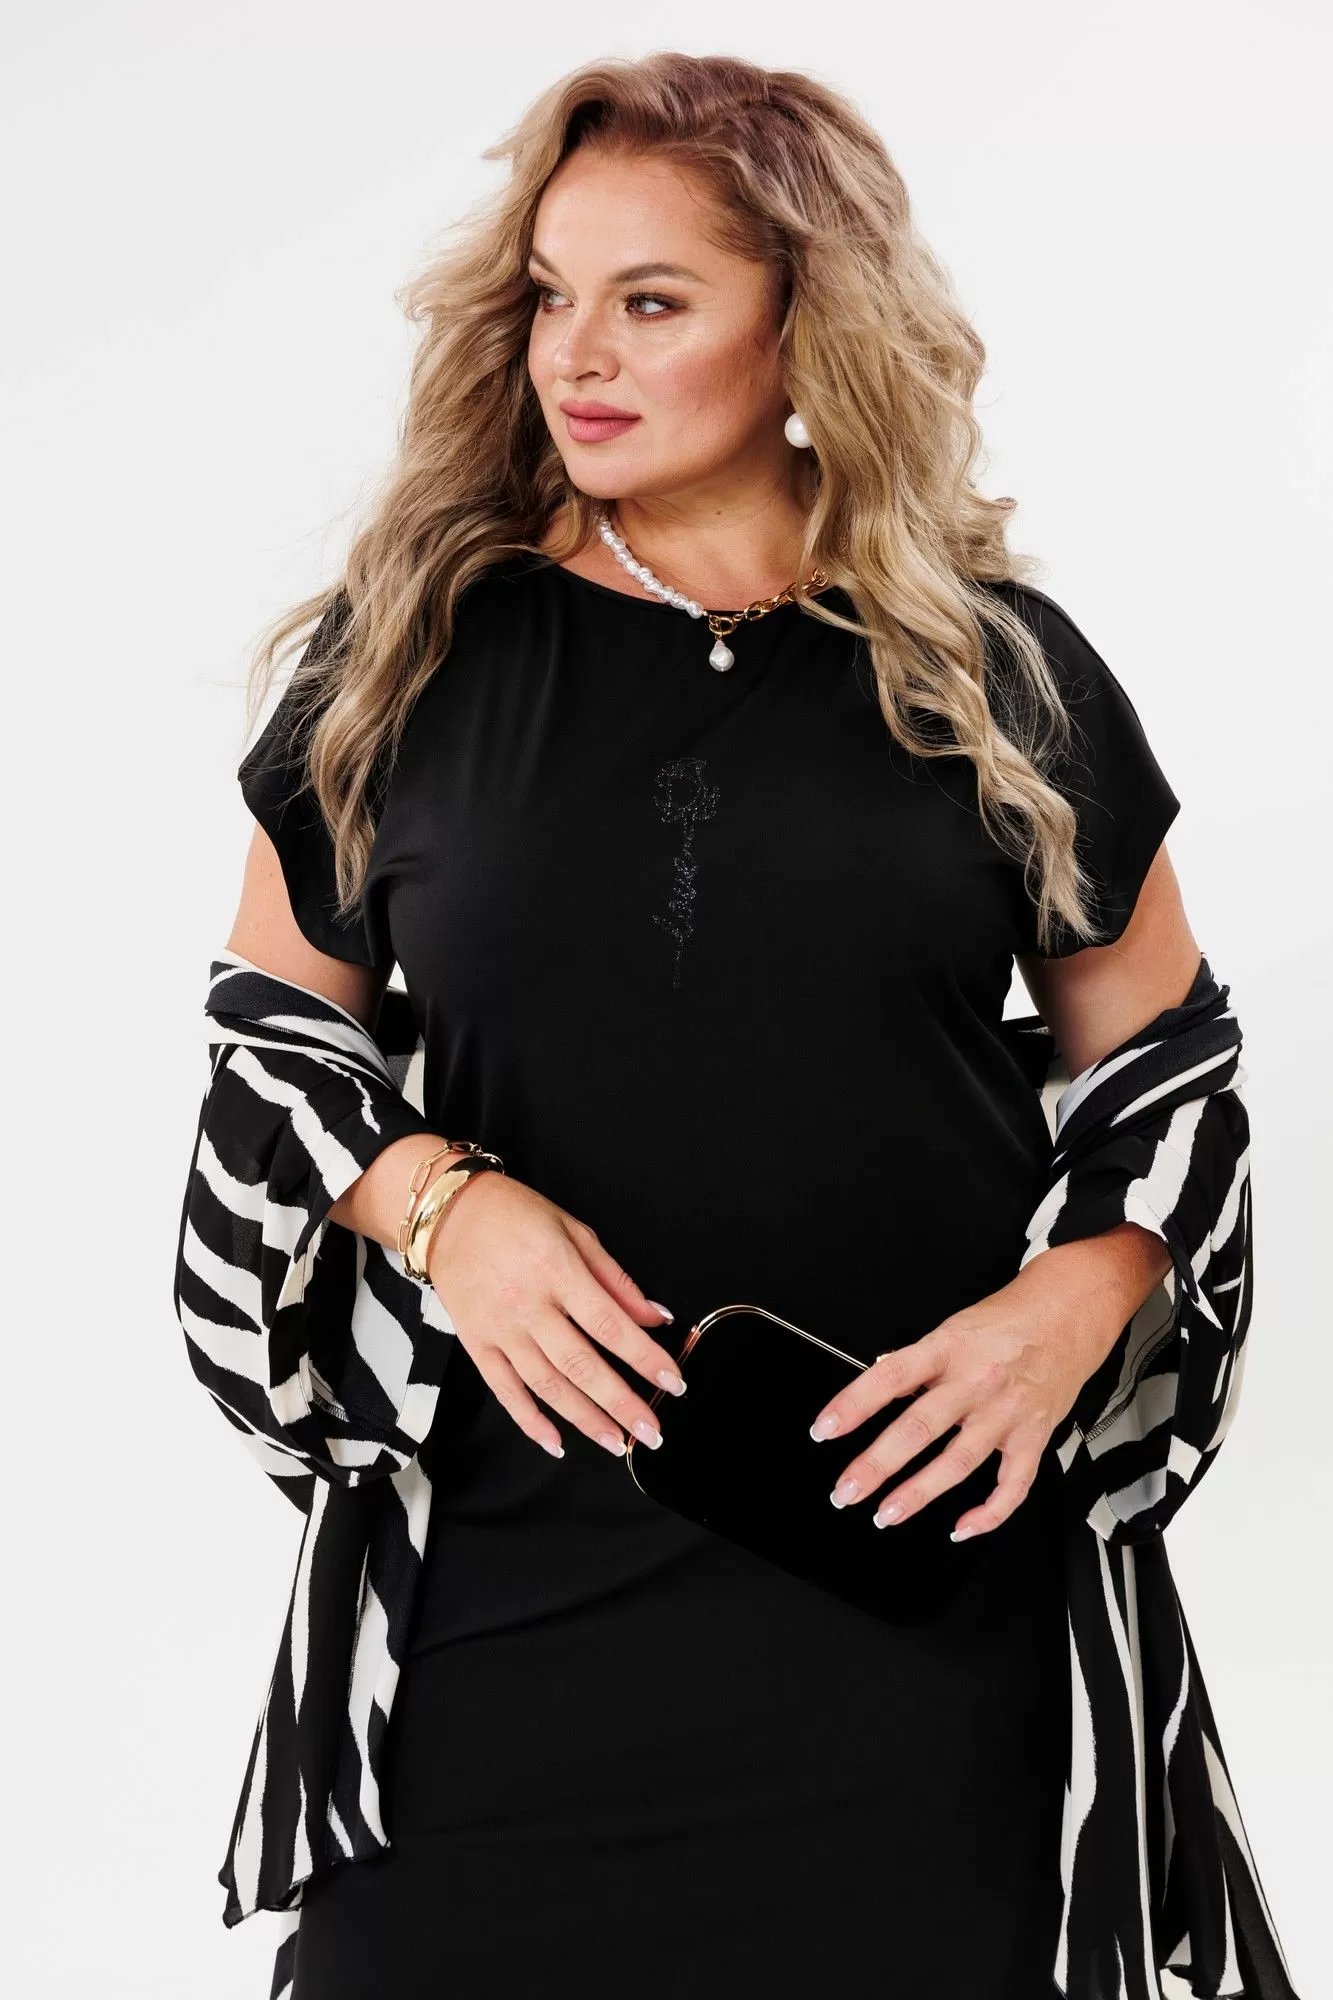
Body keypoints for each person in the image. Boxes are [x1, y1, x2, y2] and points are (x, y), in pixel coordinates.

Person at [198, 50, 1291, 2000]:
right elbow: (275, 1053)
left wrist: (1076, 1299)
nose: (575, 354)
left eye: (651, 300)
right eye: (550, 293)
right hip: (500, 1601)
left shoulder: (997, 669)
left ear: (805, 320)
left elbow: (1170, 1077)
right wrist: (449, 1208)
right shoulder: (411, 659)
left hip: (912, 1593)